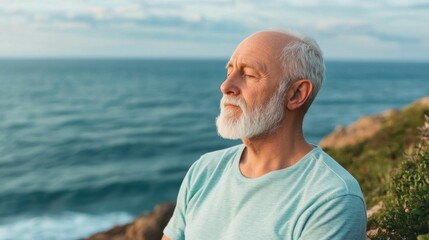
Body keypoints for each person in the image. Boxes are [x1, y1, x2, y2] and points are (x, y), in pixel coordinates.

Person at [162, 30, 367, 240]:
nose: (225, 86)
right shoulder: (204, 170)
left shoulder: (332, 198)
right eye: (229, 72)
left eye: (248, 75)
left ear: (296, 94)